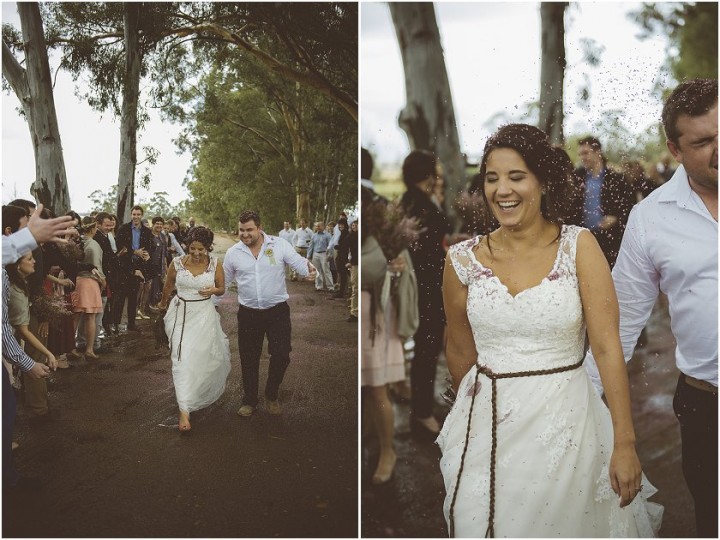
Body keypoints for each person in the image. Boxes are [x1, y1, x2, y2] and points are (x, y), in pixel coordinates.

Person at [439, 124, 662, 537]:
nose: (502, 190)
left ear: (543, 182)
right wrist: (470, 416)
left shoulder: (579, 247)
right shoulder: (461, 261)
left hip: (569, 430)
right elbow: (459, 350)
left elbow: (607, 348)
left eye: (516, 176)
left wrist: (625, 442)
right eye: (492, 178)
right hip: (488, 429)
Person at [585, 78, 717, 538]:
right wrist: (578, 402)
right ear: (675, 150)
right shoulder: (651, 218)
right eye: (703, 142)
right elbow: (619, 325)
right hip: (708, 408)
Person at [223, 210, 317, 416]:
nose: (245, 234)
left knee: (282, 354)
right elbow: (224, 282)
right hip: (248, 314)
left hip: (277, 312)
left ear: (260, 228)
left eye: (249, 230)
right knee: (249, 358)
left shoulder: (279, 245)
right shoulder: (233, 253)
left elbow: (298, 262)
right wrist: (208, 303)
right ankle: (249, 400)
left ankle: (271, 394)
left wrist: (309, 271)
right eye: (241, 230)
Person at [361, 192, 419, 485]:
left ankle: (388, 450)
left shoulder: (387, 239)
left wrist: (395, 274)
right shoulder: (357, 236)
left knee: (377, 389)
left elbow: (403, 278)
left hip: (377, 321)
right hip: (361, 319)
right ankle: (367, 439)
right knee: (363, 391)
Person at [399, 149, 451, 440]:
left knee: (425, 349)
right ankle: (422, 412)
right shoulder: (420, 205)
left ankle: (422, 406)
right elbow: (426, 252)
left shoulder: (407, 201)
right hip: (427, 287)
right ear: (427, 174)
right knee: (427, 350)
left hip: (418, 284)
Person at [158, 226, 230, 432]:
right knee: (181, 358)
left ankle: (194, 391)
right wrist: (162, 306)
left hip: (204, 316)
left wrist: (213, 290)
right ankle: (184, 410)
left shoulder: (215, 264)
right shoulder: (176, 263)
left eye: (201, 249)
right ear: (187, 246)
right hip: (180, 313)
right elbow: (168, 286)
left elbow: (222, 288)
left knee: (201, 357)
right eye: (192, 249)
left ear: (207, 247)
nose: (197, 253)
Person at [572, 136, 634, 268]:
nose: (582, 157)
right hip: (583, 237)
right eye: (580, 154)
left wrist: (616, 218)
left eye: (586, 153)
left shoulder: (616, 178)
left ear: (598, 152)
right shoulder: (578, 177)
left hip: (610, 239)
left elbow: (630, 206)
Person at [113, 206, 154, 332]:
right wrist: (134, 252)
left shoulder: (147, 231)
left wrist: (146, 254)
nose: (136, 217)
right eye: (134, 214)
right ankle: (115, 324)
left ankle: (131, 324)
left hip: (138, 267)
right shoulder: (123, 228)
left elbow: (150, 246)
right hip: (124, 266)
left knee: (133, 297)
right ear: (131, 215)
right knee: (120, 297)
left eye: (138, 214)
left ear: (142, 215)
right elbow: (119, 246)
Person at [71, 217, 106, 360]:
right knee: (90, 316)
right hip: (90, 281)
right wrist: (102, 281)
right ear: (93, 229)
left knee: (75, 316)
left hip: (76, 280)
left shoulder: (75, 242)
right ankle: (89, 350)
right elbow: (97, 266)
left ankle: (70, 348)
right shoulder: (93, 245)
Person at [308, 221, 334, 292]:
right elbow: (311, 246)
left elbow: (331, 246)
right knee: (317, 270)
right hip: (315, 254)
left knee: (326, 270)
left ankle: (330, 287)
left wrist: (330, 255)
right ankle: (319, 286)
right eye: (316, 226)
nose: (317, 227)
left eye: (319, 226)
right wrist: (308, 255)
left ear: (323, 226)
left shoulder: (328, 235)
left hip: (324, 253)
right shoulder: (314, 235)